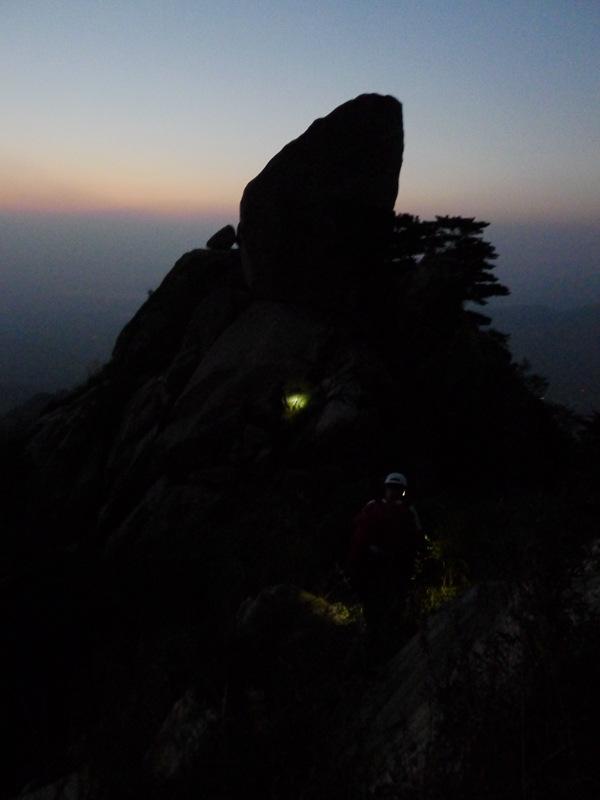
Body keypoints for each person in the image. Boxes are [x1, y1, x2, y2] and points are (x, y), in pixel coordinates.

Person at [347, 472, 425, 658]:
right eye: (391, 488)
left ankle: (383, 644)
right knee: (375, 605)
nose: (393, 491)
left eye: (397, 488)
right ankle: (374, 643)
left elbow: (416, 539)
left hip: (393, 566)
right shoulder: (375, 506)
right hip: (373, 566)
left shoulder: (405, 510)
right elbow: (359, 536)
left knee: (388, 606)